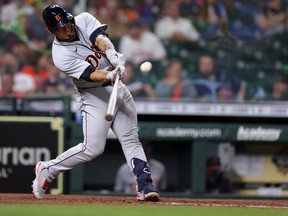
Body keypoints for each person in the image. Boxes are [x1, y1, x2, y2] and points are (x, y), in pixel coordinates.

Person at [32, 4, 160, 202]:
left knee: (131, 138)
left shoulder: (82, 19)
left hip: (117, 88)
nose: (67, 29)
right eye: (61, 28)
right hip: (92, 95)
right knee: (92, 148)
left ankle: (145, 185)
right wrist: (109, 74)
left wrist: (112, 55)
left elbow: (100, 39)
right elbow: (91, 74)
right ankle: (48, 169)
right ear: (50, 31)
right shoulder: (60, 55)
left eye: (67, 23)